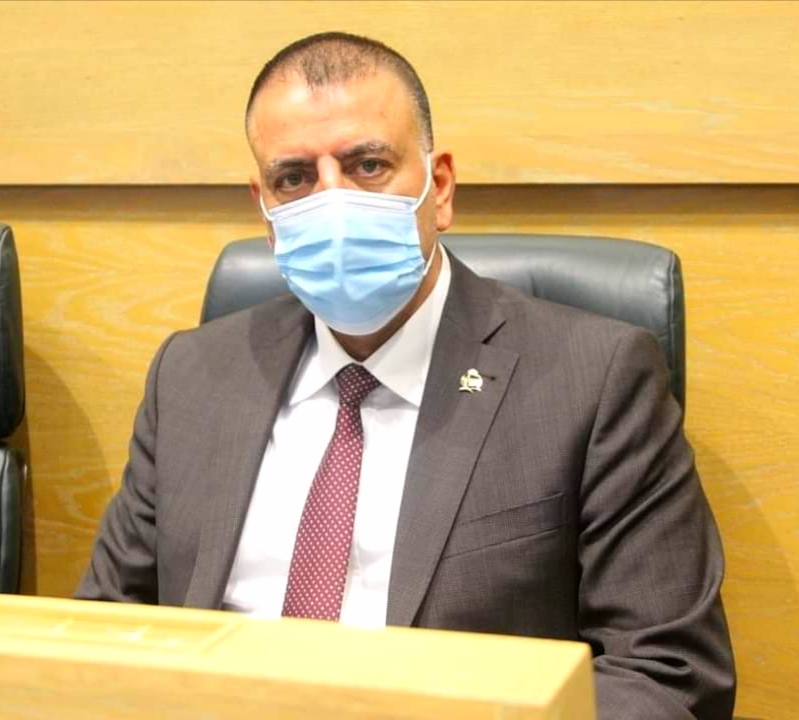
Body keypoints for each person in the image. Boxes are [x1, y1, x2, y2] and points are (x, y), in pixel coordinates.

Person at [77, 32, 735, 718]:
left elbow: (666, 673)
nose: (331, 203)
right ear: (265, 211)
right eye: (294, 179)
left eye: (367, 165)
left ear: (438, 186)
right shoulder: (192, 375)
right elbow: (104, 631)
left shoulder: (591, 380)